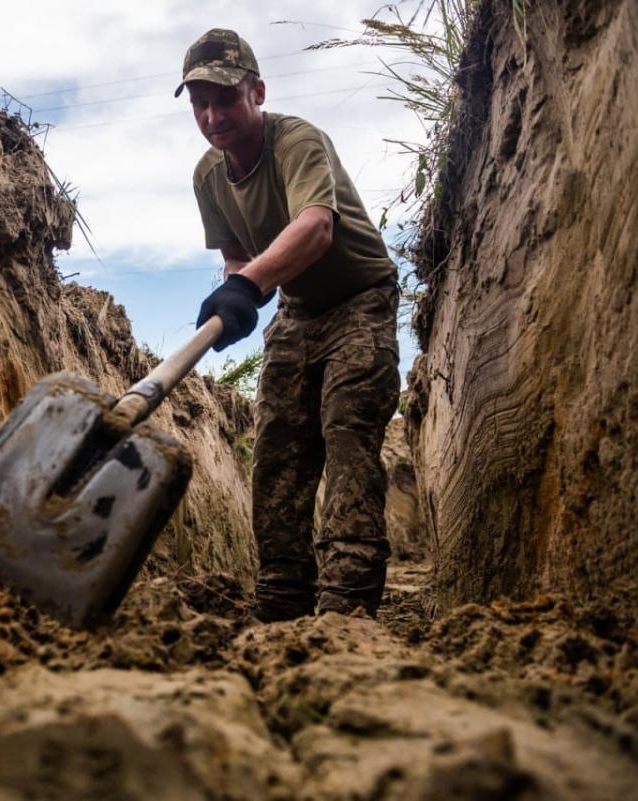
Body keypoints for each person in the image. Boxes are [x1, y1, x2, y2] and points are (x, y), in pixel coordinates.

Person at [177, 29, 401, 620]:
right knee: (277, 450)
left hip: (359, 300)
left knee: (348, 432)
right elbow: (233, 256)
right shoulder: (207, 178)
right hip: (297, 310)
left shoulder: (295, 141)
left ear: (257, 92)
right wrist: (235, 294)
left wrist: (249, 285)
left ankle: (348, 603)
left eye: (224, 99)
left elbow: (315, 227)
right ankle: (282, 596)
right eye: (199, 102)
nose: (212, 115)